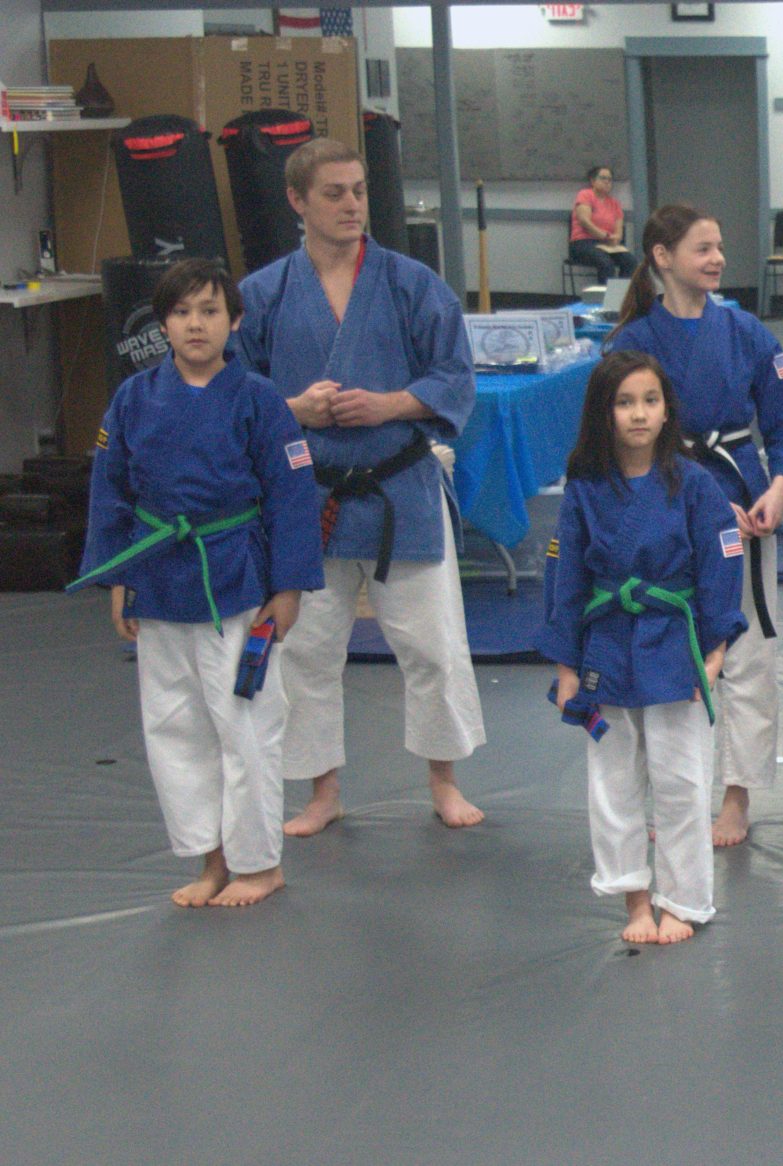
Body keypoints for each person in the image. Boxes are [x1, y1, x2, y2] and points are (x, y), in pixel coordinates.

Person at [234, 137, 485, 836]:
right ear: (296, 201)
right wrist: (296, 411)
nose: (351, 205)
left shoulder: (411, 283)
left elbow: (455, 375)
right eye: (334, 193)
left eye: (359, 191)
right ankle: (322, 791)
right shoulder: (262, 294)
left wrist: (389, 403)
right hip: (304, 497)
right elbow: (231, 398)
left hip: (398, 485)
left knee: (433, 645)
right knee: (307, 651)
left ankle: (444, 780)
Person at [71, 259, 323, 908]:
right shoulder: (132, 399)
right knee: (176, 729)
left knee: (245, 726)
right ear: (163, 325)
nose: (196, 324)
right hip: (160, 580)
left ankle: (260, 865)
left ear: (234, 321)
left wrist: (288, 587)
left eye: (210, 311)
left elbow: (292, 495)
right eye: (182, 313)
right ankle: (211, 860)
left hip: (237, 580)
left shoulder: (260, 399)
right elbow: (112, 492)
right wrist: (119, 575)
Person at [602, 204, 783, 848]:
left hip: (745, 505)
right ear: (663, 257)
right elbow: (616, 438)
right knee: (665, 653)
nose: (718, 259)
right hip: (664, 506)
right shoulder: (631, 342)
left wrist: (778, 487)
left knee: (747, 655)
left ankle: (737, 796)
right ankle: (668, 796)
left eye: (720, 247)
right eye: (702, 249)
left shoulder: (746, 331)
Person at [539, 351, 744, 945]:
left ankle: (682, 900)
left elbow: (720, 568)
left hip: (673, 644)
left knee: (681, 781)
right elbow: (566, 578)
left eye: (649, 401)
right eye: (624, 402)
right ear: (602, 414)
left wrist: (716, 647)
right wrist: (567, 666)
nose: (638, 415)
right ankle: (633, 898)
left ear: (666, 409)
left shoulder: (697, 486)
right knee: (613, 783)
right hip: (606, 645)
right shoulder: (584, 490)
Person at [569, 165, 636, 283]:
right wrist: (605, 236)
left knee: (630, 261)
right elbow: (584, 221)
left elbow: (618, 230)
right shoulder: (585, 195)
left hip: (607, 244)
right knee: (606, 263)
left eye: (609, 179)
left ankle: (623, 298)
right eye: (603, 178)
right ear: (593, 181)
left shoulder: (615, 203)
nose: (607, 182)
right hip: (583, 243)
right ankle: (605, 300)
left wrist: (615, 239)